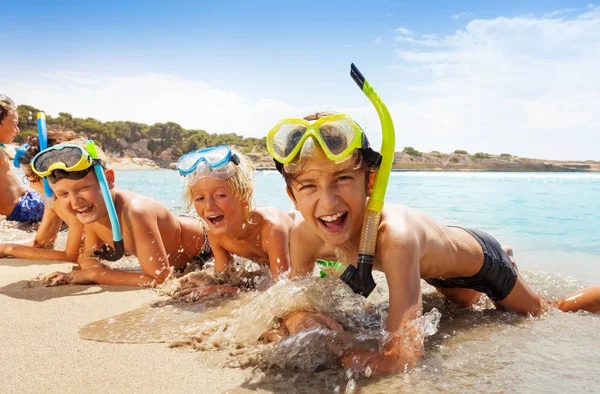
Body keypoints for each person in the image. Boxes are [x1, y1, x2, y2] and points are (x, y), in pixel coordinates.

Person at [267, 111, 600, 375]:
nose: (328, 202)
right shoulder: (303, 235)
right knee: (464, 308)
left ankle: (506, 260)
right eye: (308, 186)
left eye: (342, 178)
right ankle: (472, 283)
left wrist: (341, 352)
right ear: (291, 196)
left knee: (544, 312)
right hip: (434, 266)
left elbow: (403, 357)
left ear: (370, 181)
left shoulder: (394, 238)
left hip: (482, 260)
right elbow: (295, 299)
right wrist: (297, 319)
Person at [30, 143, 207, 286]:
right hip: (184, 258)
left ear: (108, 180)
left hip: (207, 248)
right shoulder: (91, 213)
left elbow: (160, 279)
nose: (75, 202)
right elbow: (88, 256)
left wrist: (96, 275)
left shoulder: (136, 212)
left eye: (83, 188)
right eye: (63, 194)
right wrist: (87, 269)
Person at [173, 145, 294, 301]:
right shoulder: (215, 232)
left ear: (244, 193)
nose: (209, 206)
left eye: (220, 195)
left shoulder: (272, 230)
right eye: (200, 199)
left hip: (292, 242)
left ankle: (290, 219)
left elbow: (280, 288)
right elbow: (224, 277)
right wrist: (208, 283)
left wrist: (222, 289)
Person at [0, 129, 83, 261]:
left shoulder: (78, 206)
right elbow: (42, 244)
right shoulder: (52, 203)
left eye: (31, 178)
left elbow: (71, 255)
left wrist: (8, 249)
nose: (31, 186)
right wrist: (4, 247)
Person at [0, 94, 44, 223]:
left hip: (24, 203)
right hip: (22, 210)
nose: (18, 130)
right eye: (14, 125)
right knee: (67, 207)